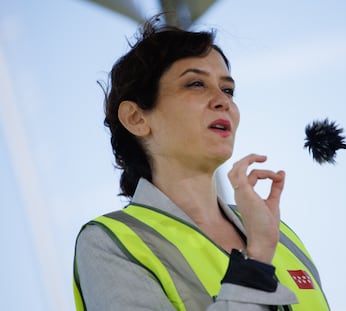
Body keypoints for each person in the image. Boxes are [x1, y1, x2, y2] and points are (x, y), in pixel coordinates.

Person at [73, 16, 330, 311]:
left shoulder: (281, 235)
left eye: (228, 90)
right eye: (196, 84)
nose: (223, 101)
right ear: (137, 118)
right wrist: (256, 261)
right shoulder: (111, 243)